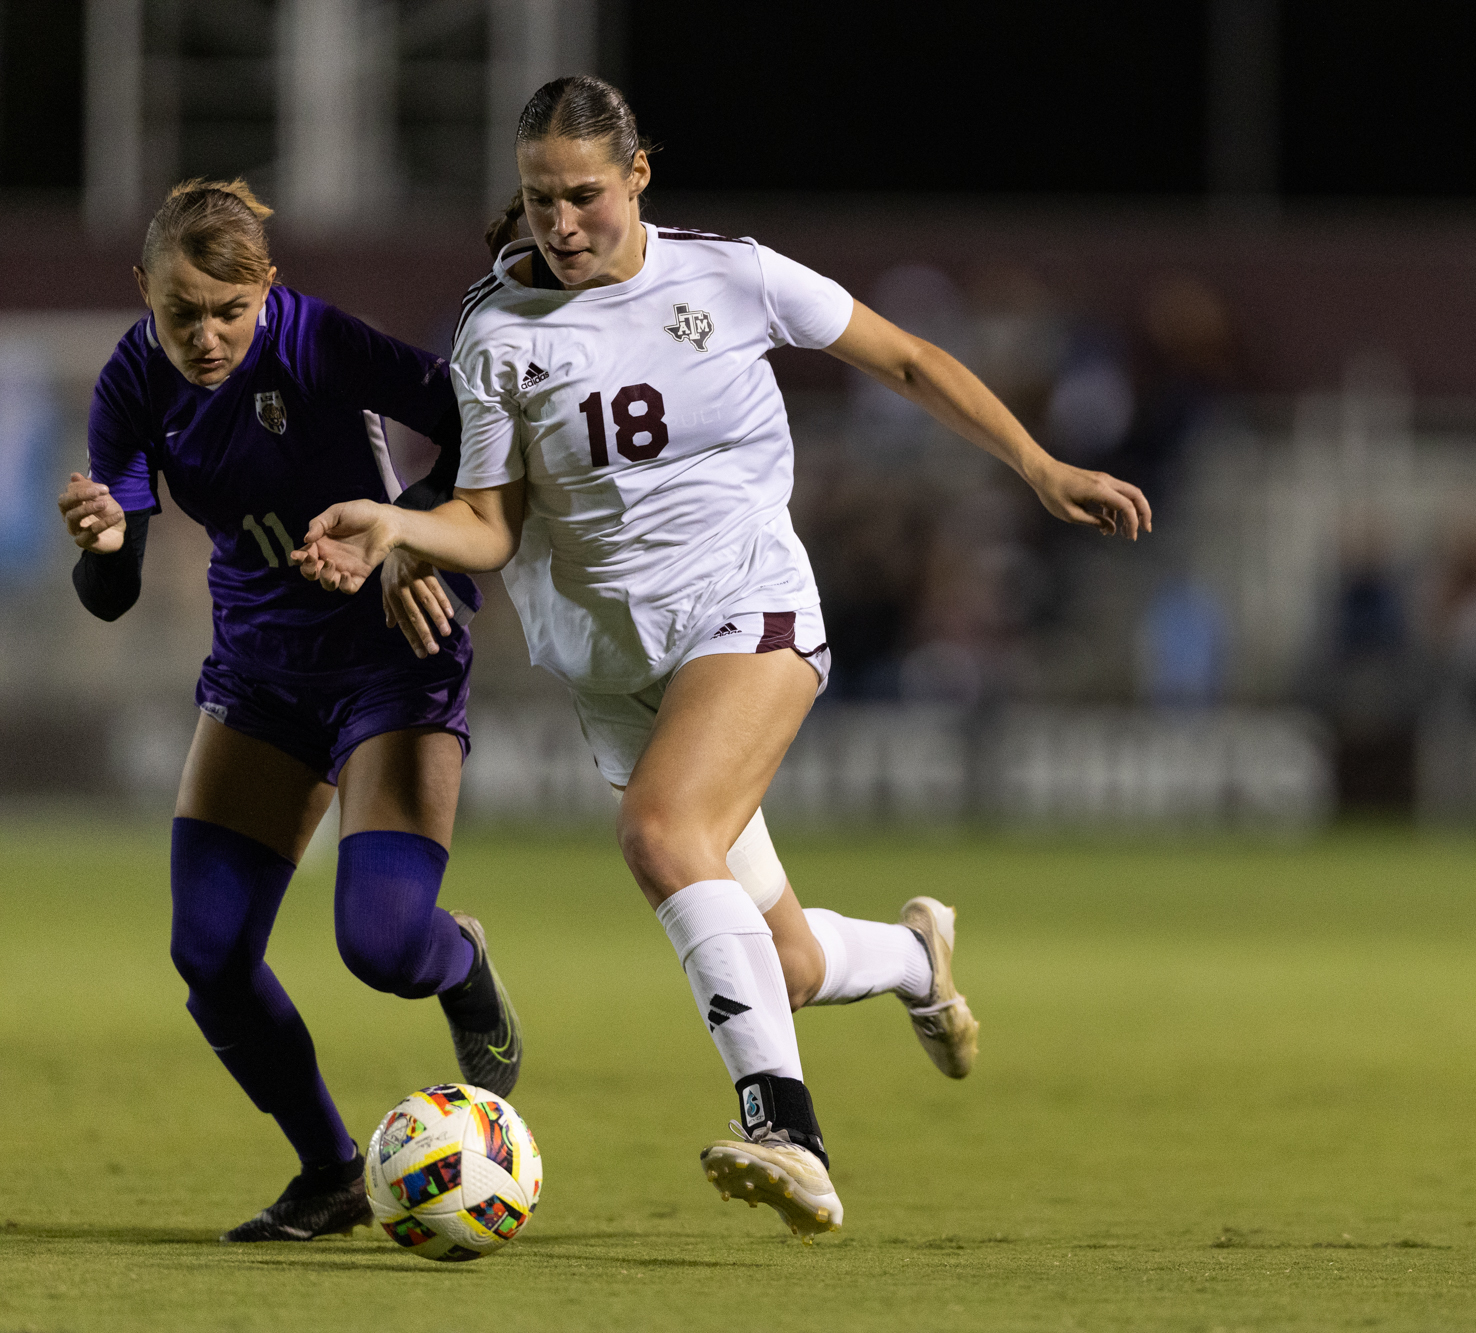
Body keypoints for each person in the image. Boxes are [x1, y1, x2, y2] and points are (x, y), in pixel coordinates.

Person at [293, 75, 1151, 1244]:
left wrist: (1036, 465)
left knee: (660, 834)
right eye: (540, 199)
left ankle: (787, 1130)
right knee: (782, 965)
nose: (560, 222)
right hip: (612, 671)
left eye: (584, 195)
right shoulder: (494, 332)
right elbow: (490, 526)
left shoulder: (730, 275)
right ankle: (911, 952)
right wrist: (398, 527)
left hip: (745, 611)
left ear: (637, 175)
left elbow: (901, 358)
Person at [56, 179, 522, 1244]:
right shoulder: (131, 380)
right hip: (262, 675)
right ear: (143, 292)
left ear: (269, 286)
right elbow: (111, 594)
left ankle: (460, 963)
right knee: (209, 955)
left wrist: (409, 535)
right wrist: (106, 547)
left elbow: (475, 431)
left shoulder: (317, 345)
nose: (208, 336)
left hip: (391, 658)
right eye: (182, 314)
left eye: (231, 310)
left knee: (382, 945)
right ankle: (327, 1171)